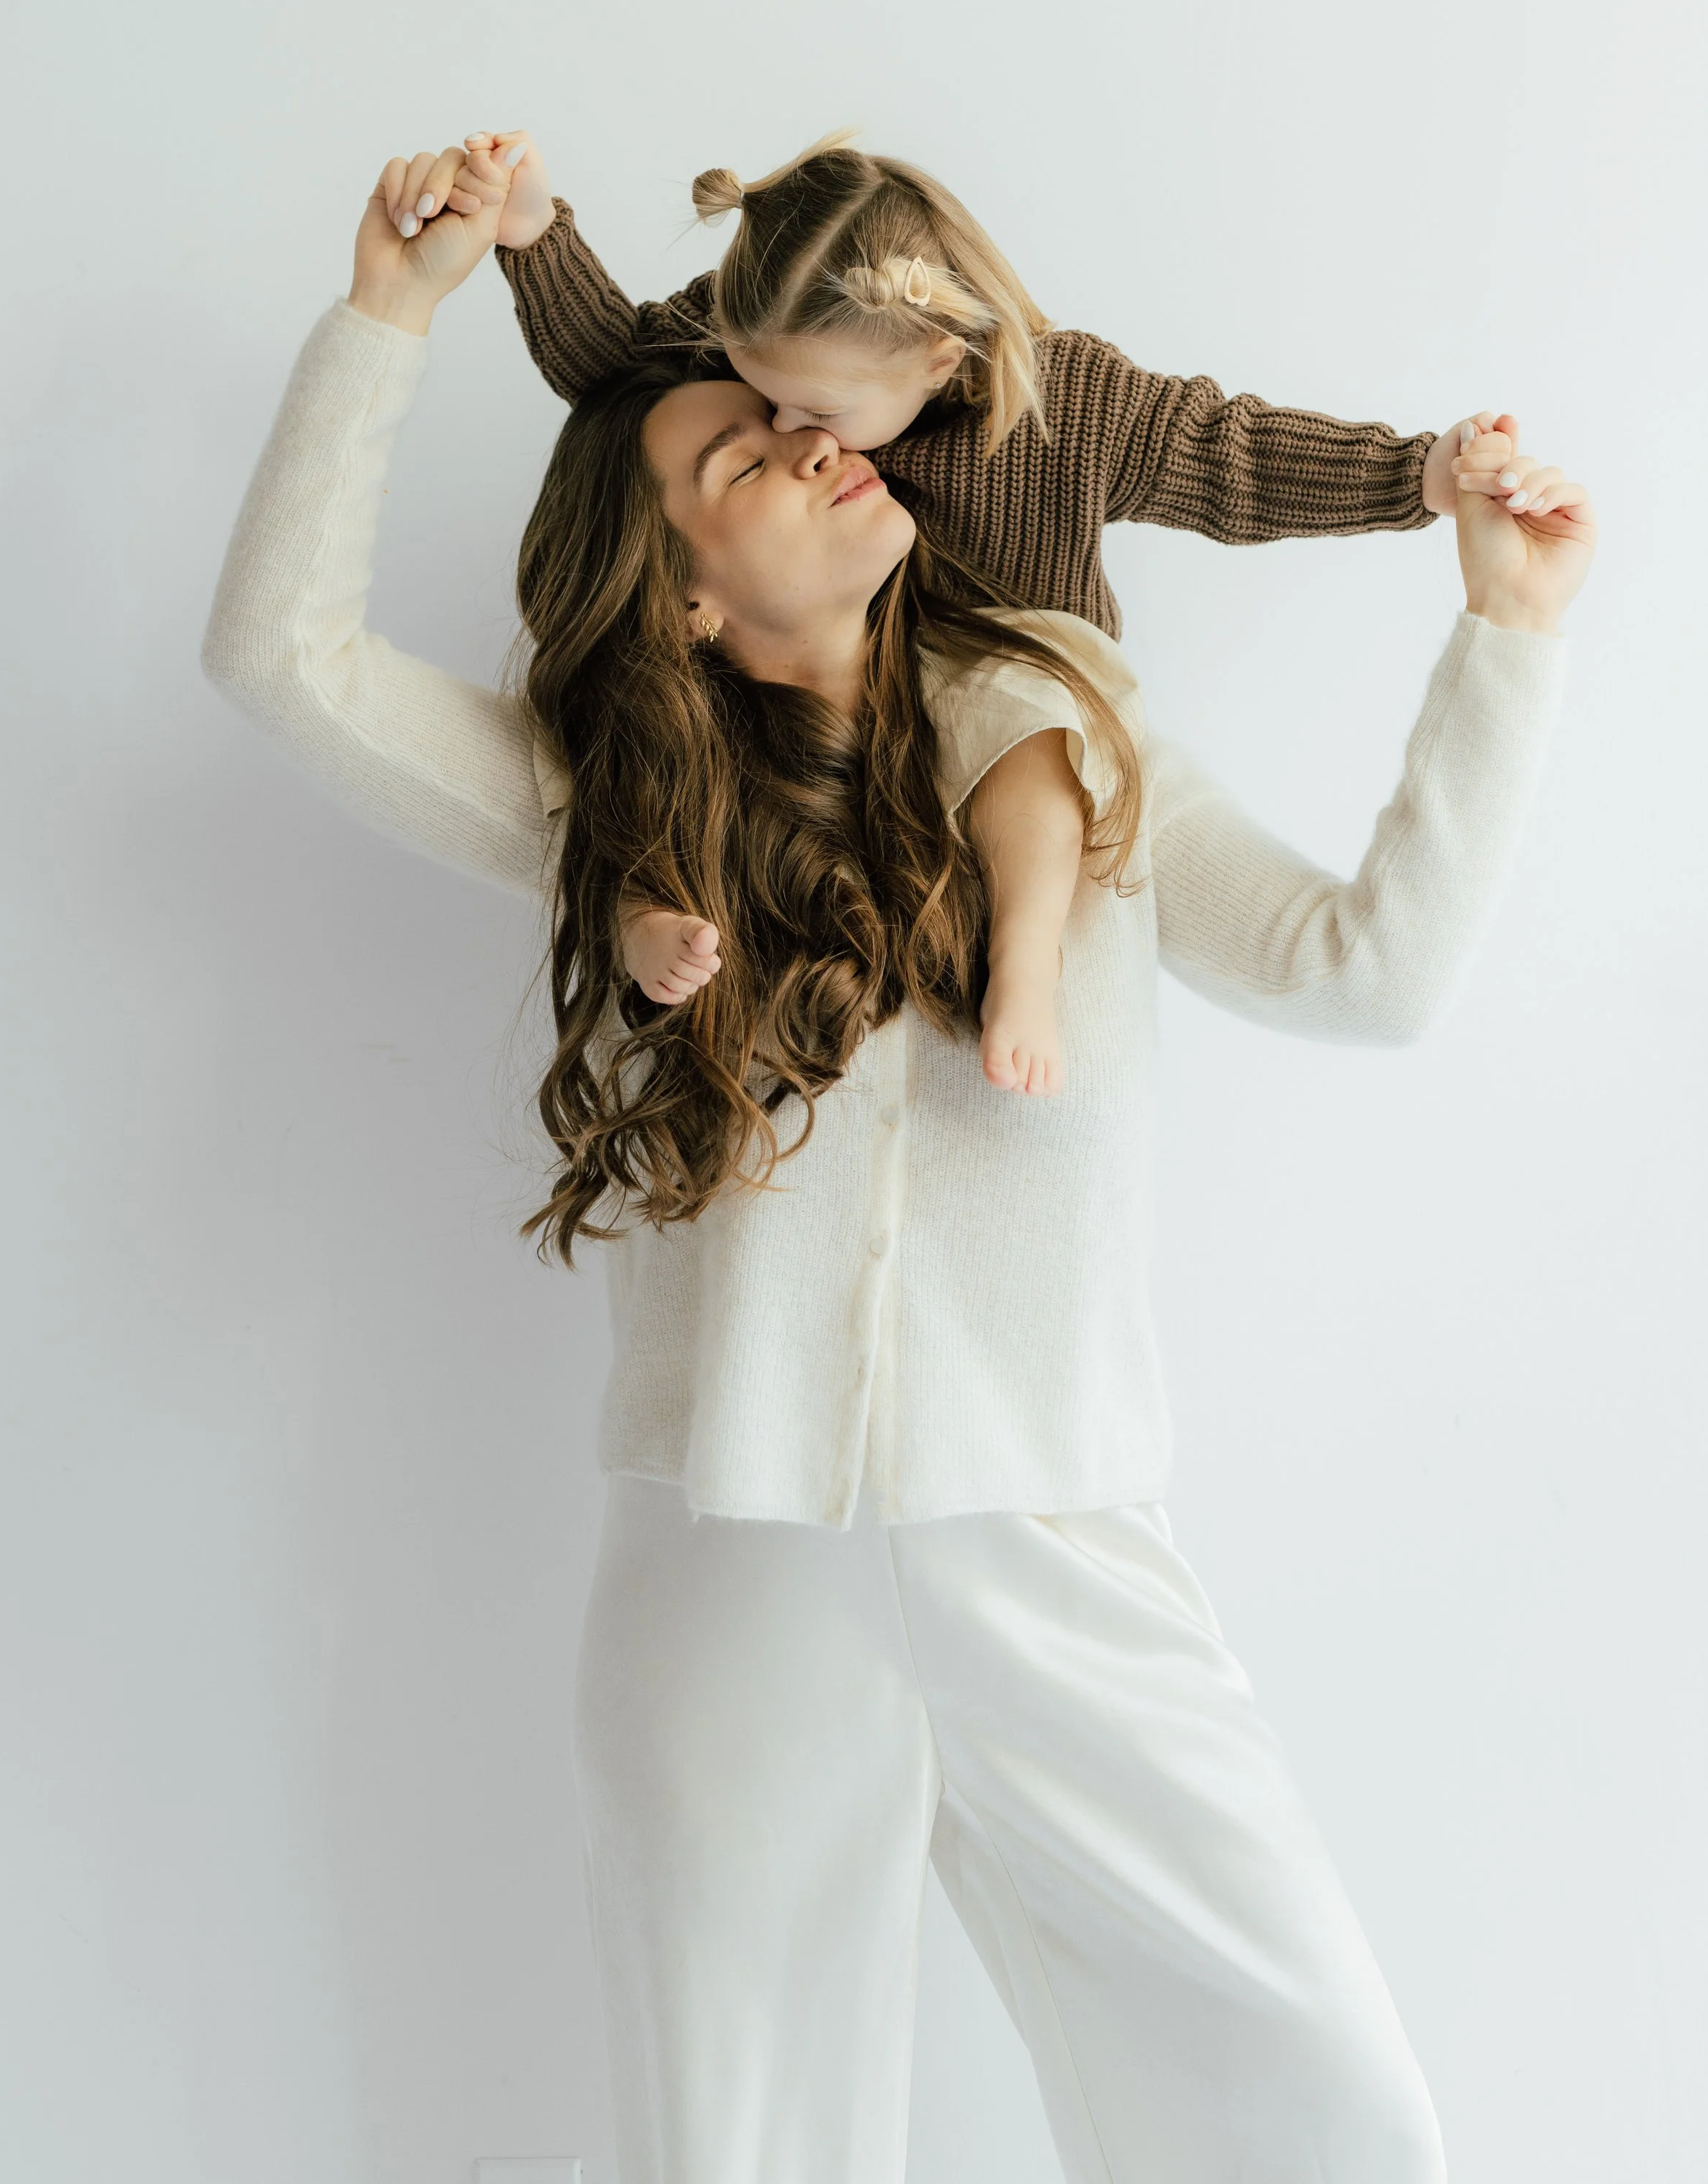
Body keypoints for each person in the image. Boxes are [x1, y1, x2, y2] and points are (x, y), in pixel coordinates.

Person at [201, 142, 1591, 2184]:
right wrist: (389, 315)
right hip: (733, 1549)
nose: (811, 441)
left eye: (794, 413)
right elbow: (285, 661)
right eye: (741, 454)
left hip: (1050, 1531)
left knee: (1325, 2114)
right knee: (739, 2150)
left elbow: (1357, 973)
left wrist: (1507, 640)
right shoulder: (608, 807)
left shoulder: (1073, 733)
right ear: (682, 578)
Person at [437, 124, 1537, 1092]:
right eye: (760, 413)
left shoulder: (1073, 412)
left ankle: (1028, 964)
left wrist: (1420, 479)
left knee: (1022, 706)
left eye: (814, 411)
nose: (794, 428)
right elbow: (621, 374)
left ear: (936, 355)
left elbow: (1230, 460)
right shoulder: (778, 337)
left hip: (1033, 686)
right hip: (874, 702)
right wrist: (532, 234)